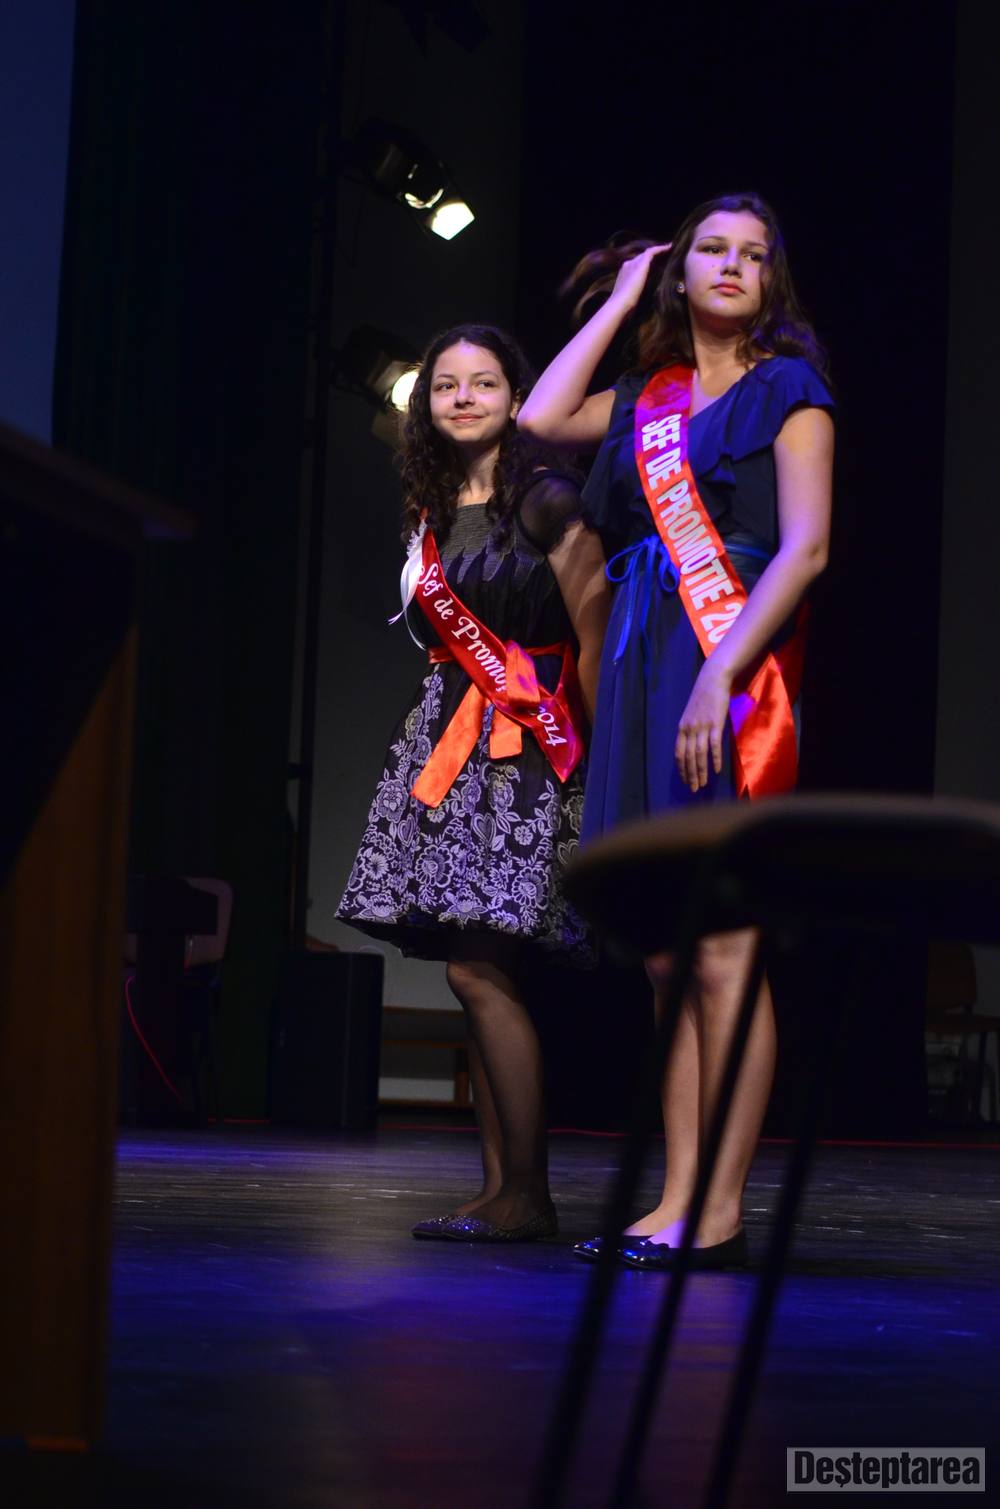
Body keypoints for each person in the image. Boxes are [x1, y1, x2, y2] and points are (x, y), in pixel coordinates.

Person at [518, 192, 834, 1270]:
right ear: (681, 269)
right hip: (645, 661)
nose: (732, 265)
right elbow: (536, 419)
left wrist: (720, 676)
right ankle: (675, 1195)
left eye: (754, 253)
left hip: (726, 667)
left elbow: (805, 550)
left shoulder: (790, 389)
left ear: (773, 279)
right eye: (711, 249)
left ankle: (722, 1208)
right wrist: (618, 299)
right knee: (663, 955)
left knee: (724, 947)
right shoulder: (644, 398)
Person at [336, 323, 610, 1242]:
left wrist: (602, 750)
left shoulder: (546, 497)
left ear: (516, 397)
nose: (462, 398)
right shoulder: (434, 504)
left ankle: (528, 1192)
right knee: (473, 969)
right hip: (450, 743)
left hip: (526, 750)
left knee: (478, 965)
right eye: (446, 385)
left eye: (484, 383)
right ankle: (497, 1190)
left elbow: (594, 621)